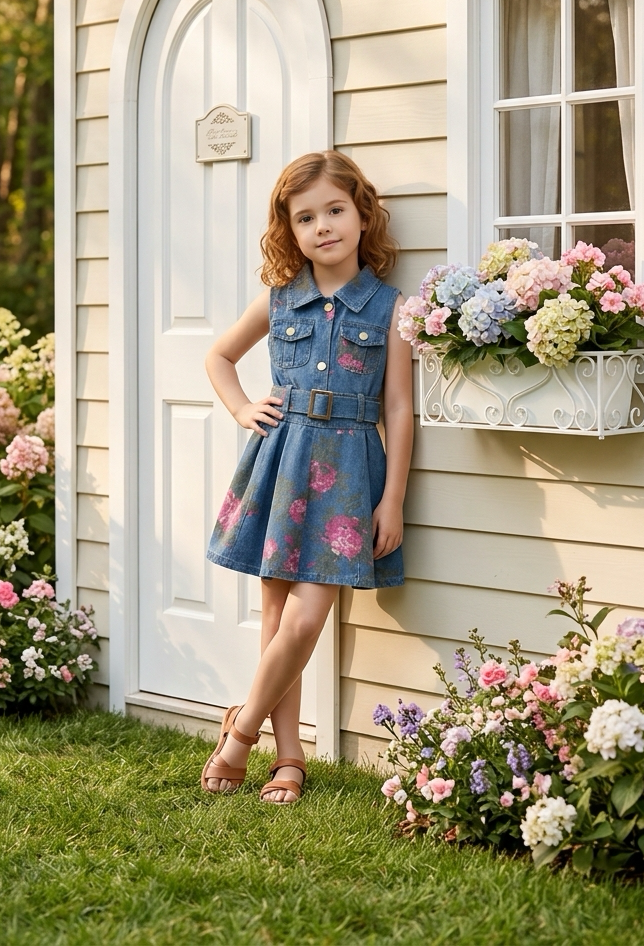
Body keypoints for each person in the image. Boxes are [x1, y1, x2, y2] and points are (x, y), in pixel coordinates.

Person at [201, 150, 413, 804]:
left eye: (335, 211)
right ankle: (288, 756)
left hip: (349, 472)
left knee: (305, 616)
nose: (323, 226)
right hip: (280, 458)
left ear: (361, 214)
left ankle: (239, 736)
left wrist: (393, 501)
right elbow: (219, 355)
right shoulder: (280, 300)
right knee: (275, 617)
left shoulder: (389, 308)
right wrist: (241, 407)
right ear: (289, 230)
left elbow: (401, 410)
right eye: (305, 217)